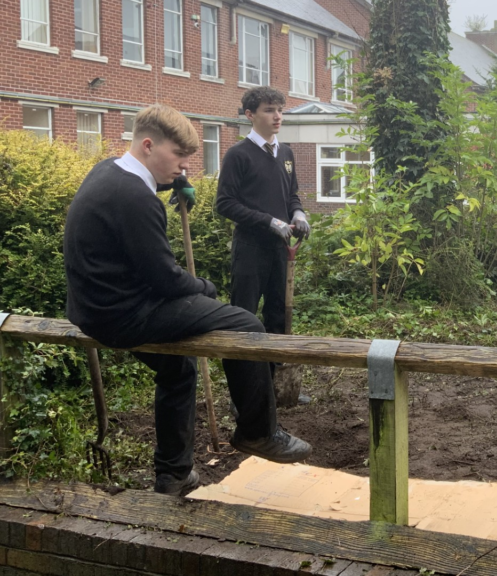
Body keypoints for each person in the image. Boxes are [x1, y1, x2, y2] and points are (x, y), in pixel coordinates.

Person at [64, 104, 312, 496]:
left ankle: (174, 475)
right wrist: (205, 289)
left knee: (178, 370)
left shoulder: (109, 171)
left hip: (89, 307)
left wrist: (169, 185)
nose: (184, 168)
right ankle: (258, 431)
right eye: (179, 157)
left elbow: (137, 227)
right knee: (247, 324)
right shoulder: (136, 199)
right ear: (149, 145)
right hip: (124, 313)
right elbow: (165, 279)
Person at [216, 87, 311, 404]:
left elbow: (291, 194)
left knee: (277, 316)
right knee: (242, 318)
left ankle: (273, 387)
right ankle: (240, 394)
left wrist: (297, 212)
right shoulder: (238, 155)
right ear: (250, 115)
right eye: (270, 109)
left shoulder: (285, 153)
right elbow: (225, 204)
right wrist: (269, 221)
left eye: (280, 109)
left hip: (280, 250)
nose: (278, 116)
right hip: (251, 251)